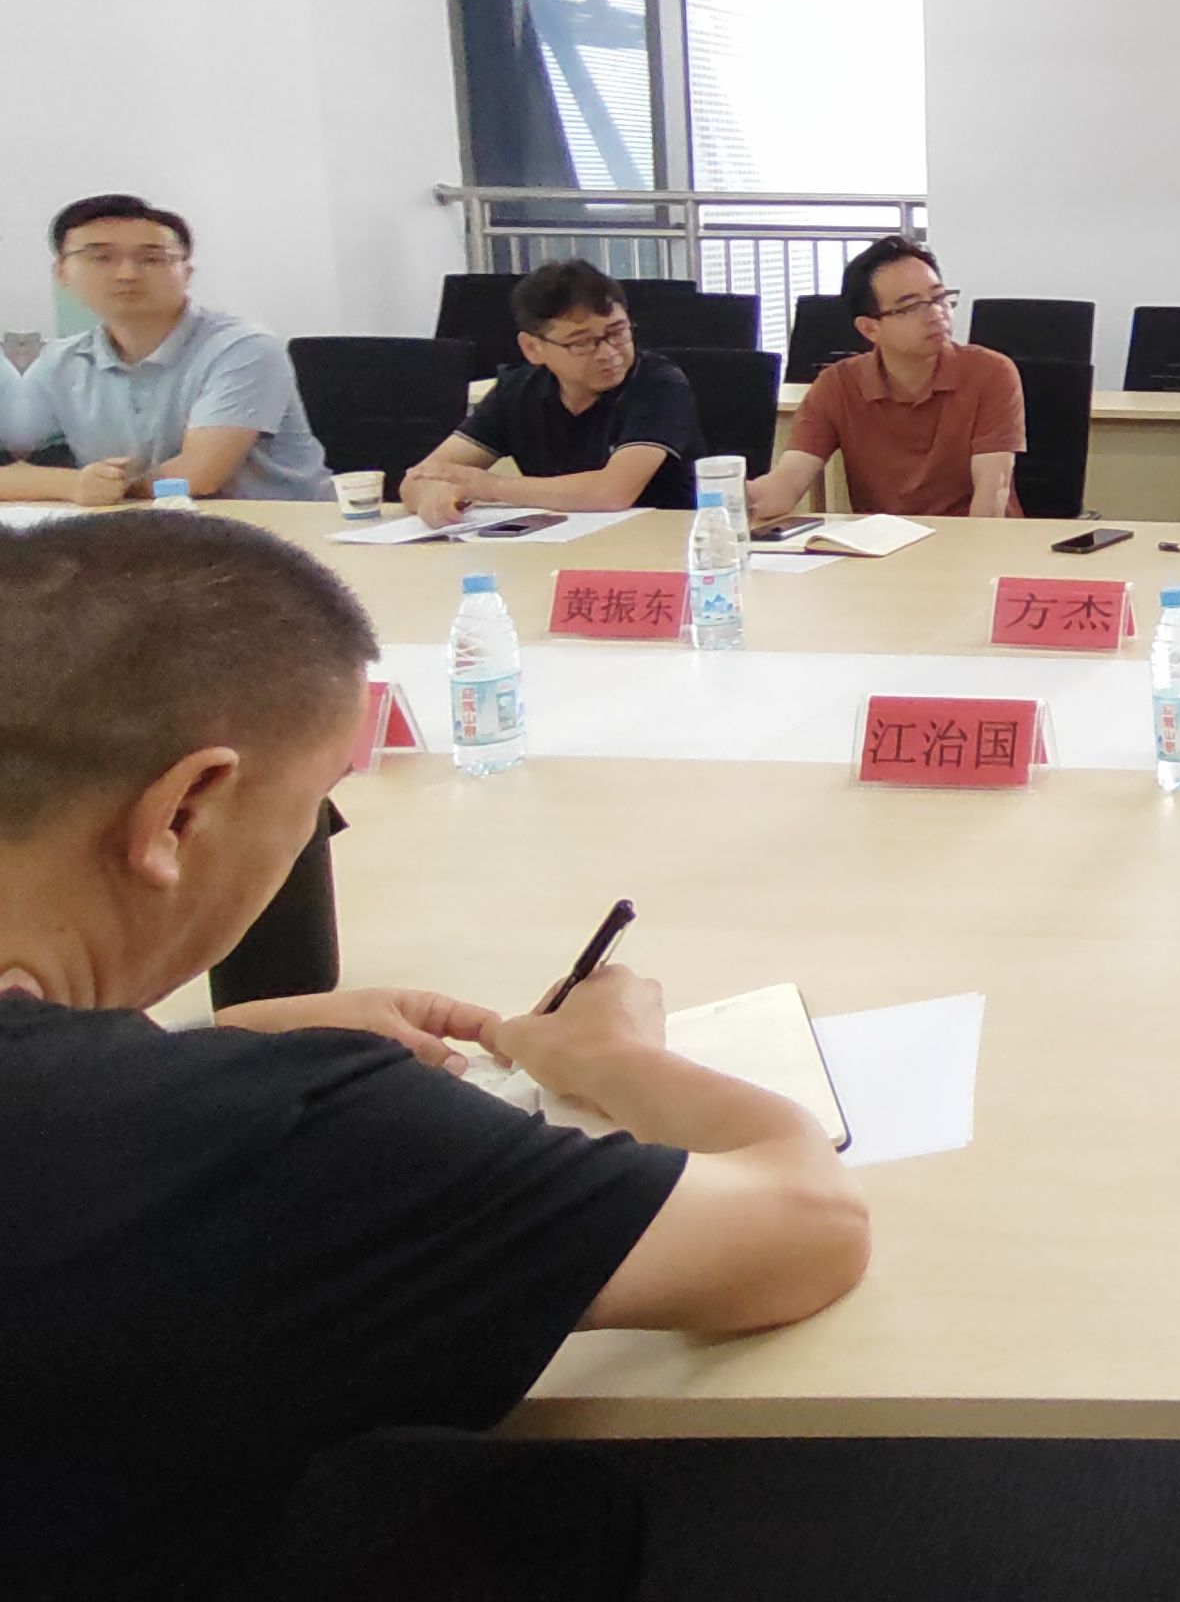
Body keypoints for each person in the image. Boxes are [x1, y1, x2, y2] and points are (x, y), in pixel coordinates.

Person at [0, 514, 870, 1596]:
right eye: (312, 807)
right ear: (181, 812)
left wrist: (197, 1047)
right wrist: (611, 1055)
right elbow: (808, 1229)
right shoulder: (291, 1138)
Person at [1, 194, 328, 504]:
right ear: (61, 272)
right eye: (101, 257)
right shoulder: (58, 362)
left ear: (186, 272)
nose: (127, 274)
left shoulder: (244, 347)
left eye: (152, 259)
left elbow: (197, 476)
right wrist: (71, 486)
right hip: (136, 526)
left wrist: (103, 489)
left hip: (278, 525)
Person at [401, 260, 704, 526]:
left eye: (617, 332)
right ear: (533, 348)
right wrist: (433, 496)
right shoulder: (517, 390)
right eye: (581, 343)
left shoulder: (658, 383)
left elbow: (611, 492)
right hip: (556, 546)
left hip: (656, 541)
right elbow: (417, 478)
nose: (608, 353)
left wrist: (490, 487)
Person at [746, 238, 1025, 524]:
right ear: (869, 328)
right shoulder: (838, 385)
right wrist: (734, 496)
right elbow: (786, 484)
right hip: (885, 543)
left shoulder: (991, 372)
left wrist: (966, 552)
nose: (936, 314)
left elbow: (992, 495)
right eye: (911, 307)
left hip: (976, 540)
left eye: (939, 298)